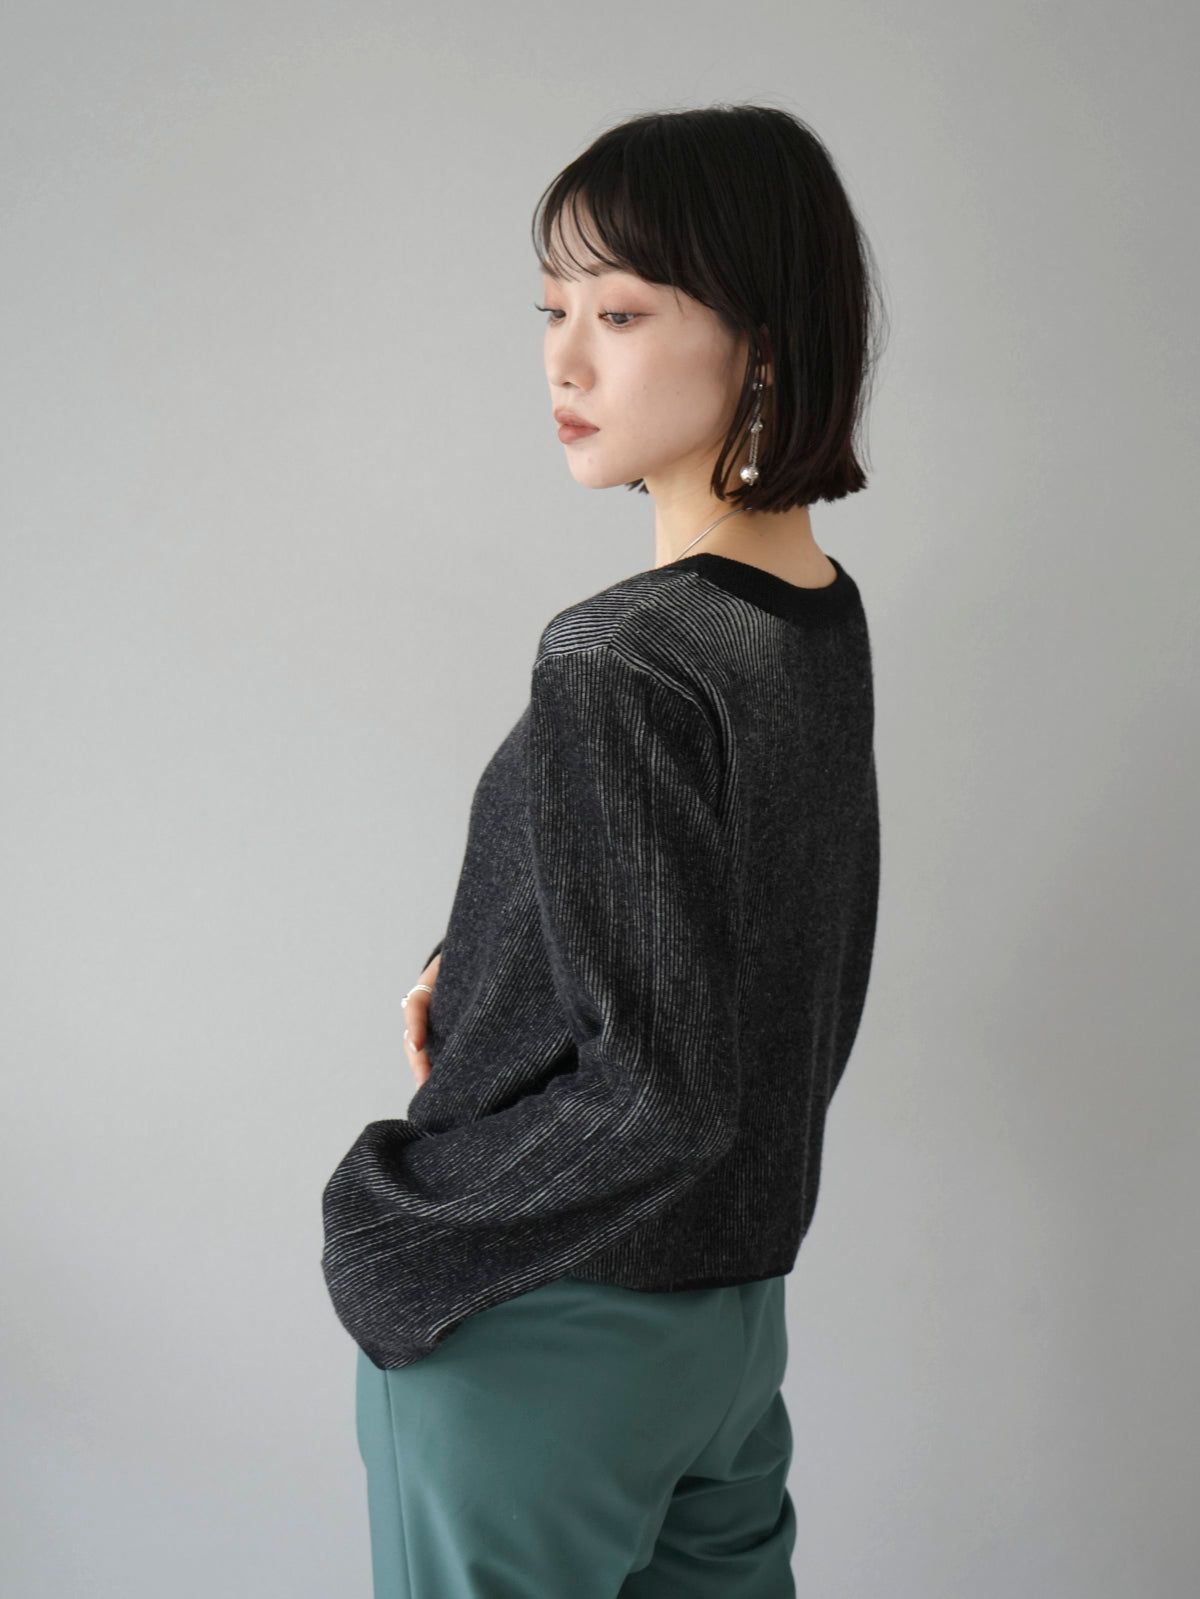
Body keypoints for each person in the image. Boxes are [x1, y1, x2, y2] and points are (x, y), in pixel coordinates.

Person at [321, 101, 887, 1598]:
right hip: (725, 1326)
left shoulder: (623, 656)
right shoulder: (812, 617)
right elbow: (742, 925)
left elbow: (661, 1089)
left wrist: (390, 1230)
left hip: (538, 1328)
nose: (564, 363)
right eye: (552, 310)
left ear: (764, 342)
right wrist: (491, 952)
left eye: (621, 314)